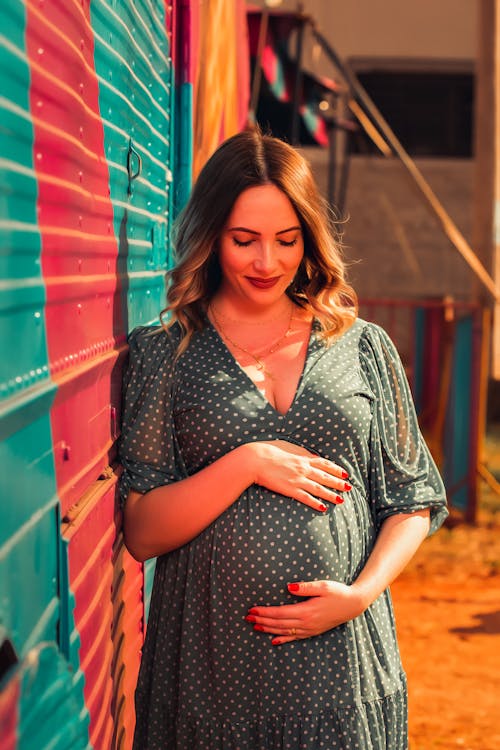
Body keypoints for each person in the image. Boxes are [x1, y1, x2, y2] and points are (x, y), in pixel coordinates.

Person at [119, 128, 448, 750]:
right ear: (211, 237)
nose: (266, 262)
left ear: (309, 240)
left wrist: (358, 595)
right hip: (212, 678)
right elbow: (141, 532)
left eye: (286, 240)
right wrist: (246, 462)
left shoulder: (360, 347)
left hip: (343, 663)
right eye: (244, 240)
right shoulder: (168, 355)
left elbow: (411, 501)